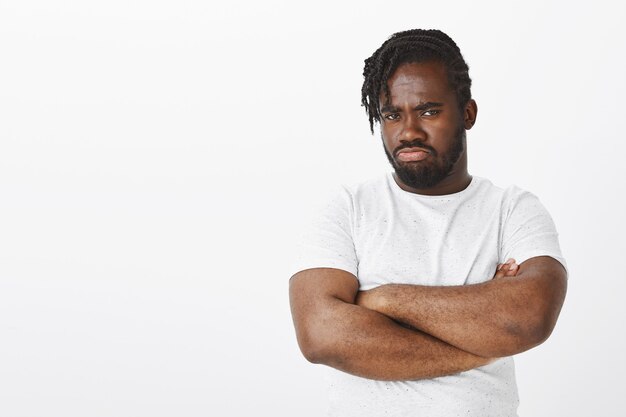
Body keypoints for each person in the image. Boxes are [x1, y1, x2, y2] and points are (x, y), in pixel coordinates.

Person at [288, 29, 567, 417]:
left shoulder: (512, 210)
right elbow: (321, 336)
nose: (408, 132)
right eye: (391, 115)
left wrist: (384, 299)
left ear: (467, 113)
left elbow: (528, 319)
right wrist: (484, 344)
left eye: (429, 111)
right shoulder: (348, 209)